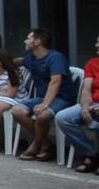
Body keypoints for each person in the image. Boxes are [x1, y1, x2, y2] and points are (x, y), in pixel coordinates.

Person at [12, 29, 78, 161]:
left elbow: (56, 81)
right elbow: (17, 61)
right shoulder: (31, 58)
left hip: (62, 98)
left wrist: (45, 104)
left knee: (42, 115)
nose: (25, 41)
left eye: (28, 38)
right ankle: (46, 144)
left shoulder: (55, 58)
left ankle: (36, 145)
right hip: (41, 97)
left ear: (37, 42)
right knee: (17, 110)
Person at [56, 35, 99, 172]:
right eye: (97, 42)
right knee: (63, 118)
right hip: (92, 103)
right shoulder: (92, 63)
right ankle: (91, 154)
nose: (96, 45)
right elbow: (86, 88)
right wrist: (85, 108)